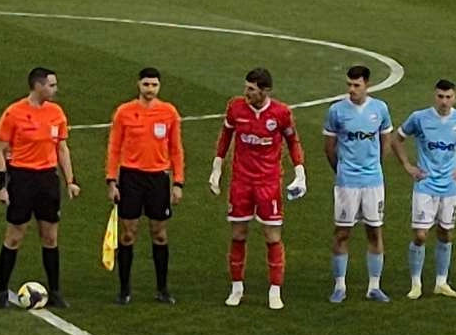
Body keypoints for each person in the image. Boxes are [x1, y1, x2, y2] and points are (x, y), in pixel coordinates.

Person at [208, 67, 306, 311]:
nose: (246, 92)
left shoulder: (281, 113)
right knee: (238, 234)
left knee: (272, 237)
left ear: (265, 91)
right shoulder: (235, 108)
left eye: (251, 89)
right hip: (241, 182)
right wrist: (216, 169)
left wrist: (300, 173)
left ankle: (275, 290)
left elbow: (293, 142)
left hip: (268, 183)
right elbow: (225, 138)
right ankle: (236, 288)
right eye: (246, 87)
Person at [0, 67, 81, 309]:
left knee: (50, 236)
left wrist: (70, 181)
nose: (55, 89)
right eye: (52, 85)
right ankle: (2, 290)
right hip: (22, 178)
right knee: (15, 235)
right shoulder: (14, 113)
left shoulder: (56, 113)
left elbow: (62, 148)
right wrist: (1, 185)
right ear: (38, 85)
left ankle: (55, 291)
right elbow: (0, 150)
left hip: (47, 179)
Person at [106, 68, 184, 305]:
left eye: (154, 85)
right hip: (131, 178)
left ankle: (162, 289)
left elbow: (176, 149)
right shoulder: (124, 112)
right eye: (146, 84)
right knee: (128, 233)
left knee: (159, 234)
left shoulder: (169, 112)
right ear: (138, 85)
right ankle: (124, 289)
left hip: (158, 179)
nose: (150, 89)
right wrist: (111, 180)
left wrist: (178, 182)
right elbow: (114, 148)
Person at [394, 80, 456, 300]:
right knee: (420, 235)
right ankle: (416, 283)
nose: (444, 101)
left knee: (445, 233)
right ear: (434, 96)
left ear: (455, 98)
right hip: (425, 185)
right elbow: (397, 139)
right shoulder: (419, 118)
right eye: (440, 96)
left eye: (448, 97)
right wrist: (408, 165)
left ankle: (441, 282)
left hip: (450, 187)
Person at [323, 66, 394, 304]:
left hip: (373, 181)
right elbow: (329, 148)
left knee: (374, 231)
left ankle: (374, 286)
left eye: (356, 85)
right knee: (342, 232)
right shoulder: (336, 111)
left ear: (367, 85)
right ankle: (339, 286)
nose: (351, 90)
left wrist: (375, 167)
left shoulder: (380, 109)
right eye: (349, 85)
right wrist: (342, 170)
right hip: (347, 182)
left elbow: (386, 140)